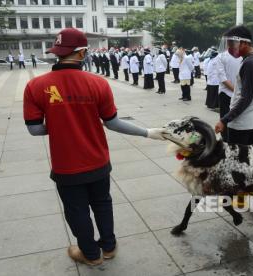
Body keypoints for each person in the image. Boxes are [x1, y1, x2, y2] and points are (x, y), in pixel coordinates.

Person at [23, 28, 166, 266]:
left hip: (66, 166)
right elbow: (113, 123)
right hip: (98, 160)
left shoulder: (36, 86)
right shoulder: (98, 83)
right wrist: (148, 132)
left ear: (57, 53)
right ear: (82, 53)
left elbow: (35, 129)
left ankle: (90, 254)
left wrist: (60, 123)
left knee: (76, 209)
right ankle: (108, 247)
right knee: (102, 203)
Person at [215, 25, 253, 145]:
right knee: (246, 160)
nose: (229, 48)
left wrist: (224, 120)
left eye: (231, 44)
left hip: (242, 122)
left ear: (244, 43)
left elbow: (246, 98)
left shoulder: (250, 63)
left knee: (237, 161)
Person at [215, 32, 242, 142]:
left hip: (240, 94)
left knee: (238, 119)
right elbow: (223, 79)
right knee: (225, 120)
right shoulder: (221, 57)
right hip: (227, 94)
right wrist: (237, 91)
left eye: (237, 41)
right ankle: (226, 142)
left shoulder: (243, 57)